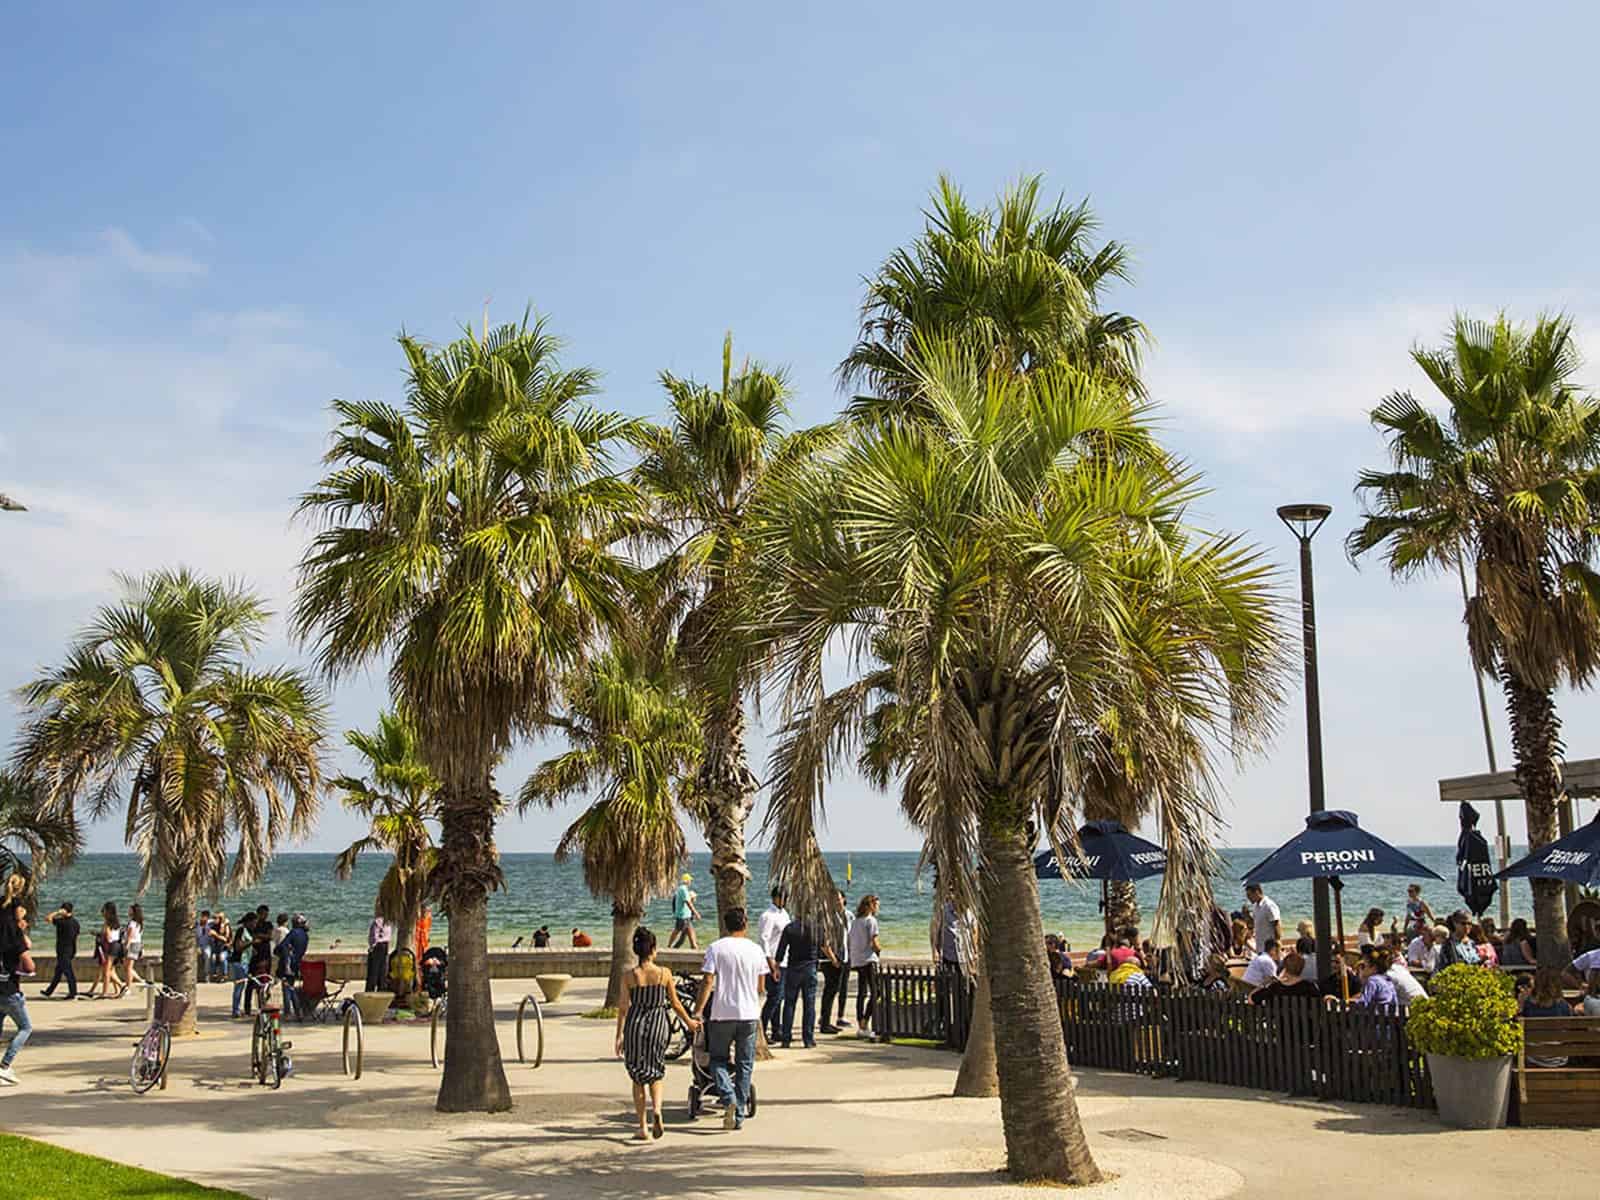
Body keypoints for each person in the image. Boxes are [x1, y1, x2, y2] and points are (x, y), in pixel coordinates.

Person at [615, 925, 699, 1140]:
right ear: (653, 949)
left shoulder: (629, 976)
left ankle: (642, 1127)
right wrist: (689, 1022)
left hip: (635, 1025)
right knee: (656, 1071)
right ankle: (658, 1111)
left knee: (637, 1076)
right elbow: (677, 1004)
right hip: (658, 1024)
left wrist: (619, 1035)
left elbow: (623, 1007)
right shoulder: (664, 974)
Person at [694, 907, 768, 1131]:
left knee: (717, 1059)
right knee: (745, 1063)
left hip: (722, 1013)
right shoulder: (756, 950)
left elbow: (707, 981)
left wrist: (698, 1010)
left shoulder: (716, 948)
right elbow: (761, 986)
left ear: (726, 925)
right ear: (745, 924)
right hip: (748, 1014)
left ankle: (729, 1099)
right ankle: (739, 1114)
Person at [775, 911, 825, 1048]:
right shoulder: (817, 928)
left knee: (789, 1004)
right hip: (810, 967)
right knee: (809, 1004)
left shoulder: (790, 928)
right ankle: (808, 1038)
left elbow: (781, 949)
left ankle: (786, 1038)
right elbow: (823, 946)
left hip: (793, 968)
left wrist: (776, 966)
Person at [0, 902, 36, 1084]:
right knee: (25, 1027)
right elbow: (29, 965)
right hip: (10, 990)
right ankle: (5, 1065)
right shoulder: (15, 937)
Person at [757, 888, 791, 1045]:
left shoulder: (784, 914)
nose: (785, 900)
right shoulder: (768, 916)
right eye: (783, 897)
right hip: (773, 962)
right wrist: (771, 964)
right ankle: (762, 1028)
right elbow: (764, 940)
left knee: (780, 997)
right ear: (776, 897)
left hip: (785, 960)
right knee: (774, 997)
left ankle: (776, 1029)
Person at [1520, 974, 1575, 1066]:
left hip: (1533, 1058)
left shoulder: (1528, 1005)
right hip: (1560, 1059)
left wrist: (1520, 1003)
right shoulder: (1564, 1006)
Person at [847, 894, 881, 1039]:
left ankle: (860, 1021)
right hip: (868, 959)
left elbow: (851, 940)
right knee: (876, 991)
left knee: (862, 992)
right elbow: (874, 942)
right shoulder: (871, 921)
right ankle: (865, 1020)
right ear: (870, 906)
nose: (878, 908)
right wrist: (879, 950)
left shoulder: (855, 922)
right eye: (876, 905)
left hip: (857, 959)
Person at [819, 889, 850, 1034]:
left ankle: (828, 1020)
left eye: (839, 898)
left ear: (844, 899)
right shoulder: (829, 917)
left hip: (843, 956)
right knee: (830, 990)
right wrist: (833, 958)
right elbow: (824, 941)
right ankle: (824, 1022)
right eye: (834, 899)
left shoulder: (848, 916)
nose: (837, 901)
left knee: (836, 989)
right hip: (831, 958)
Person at [41, 902, 80, 1000]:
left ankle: (73, 993)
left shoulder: (61, 922)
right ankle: (49, 991)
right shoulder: (75, 923)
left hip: (63, 951)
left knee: (68, 972)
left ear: (64, 910)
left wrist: (57, 912)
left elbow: (47, 918)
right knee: (58, 972)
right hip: (71, 949)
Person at [1250, 950, 1319, 1004]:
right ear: (1302, 967)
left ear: (1285, 968)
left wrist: (1263, 984)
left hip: (1280, 1022)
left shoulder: (1274, 988)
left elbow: (1251, 1000)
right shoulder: (1309, 987)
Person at [275, 914, 309, 1018]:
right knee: (290, 986)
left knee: (287, 988)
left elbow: (283, 945)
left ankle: (288, 1012)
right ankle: (298, 1012)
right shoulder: (305, 936)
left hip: (288, 964)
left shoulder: (293, 933)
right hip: (297, 964)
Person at [1346, 948, 1399, 1012]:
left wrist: (1346, 1002)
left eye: (1364, 966)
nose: (1362, 970)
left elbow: (1363, 1003)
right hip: (1390, 1018)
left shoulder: (1372, 981)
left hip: (1375, 1019)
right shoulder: (1387, 980)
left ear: (1374, 968)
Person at [90, 902, 123, 999]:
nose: (102, 912)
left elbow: (108, 937)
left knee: (107, 971)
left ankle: (106, 992)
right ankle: (118, 988)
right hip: (117, 945)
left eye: (104, 910)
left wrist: (100, 935)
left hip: (111, 946)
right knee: (110, 969)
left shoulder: (107, 922)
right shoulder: (116, 921)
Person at [668, 873, 701, 950]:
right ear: (687, 881)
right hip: (684, 916)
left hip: (684, 916)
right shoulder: (683, 889)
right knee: (678, 931)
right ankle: (670, 946)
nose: (690, 882)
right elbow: (688, 902)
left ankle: (693, 947)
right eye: (690, 880)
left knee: (686, 933)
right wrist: (696, 913)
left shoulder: (681, 889)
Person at [1245, 883, 1280, 953]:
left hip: (1269, 948)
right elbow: (1255, 923)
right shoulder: (1256, 907)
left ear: (1257, 892)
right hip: (1260, 946)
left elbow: (1276, 925)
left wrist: (1277, 946)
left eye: (1249, 895)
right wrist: (1247, 915)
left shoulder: (1269, 905)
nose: (1248, 898)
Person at [366, 912, 393, 993]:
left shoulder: (377, 921)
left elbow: (374, 936)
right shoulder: (388, 922)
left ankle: (370, 992)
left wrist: (372, 946)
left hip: (378, 946)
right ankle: (381, 990)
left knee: (373, 972)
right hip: (384, 945)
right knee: (382, 971)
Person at [195, 908, 213, 980]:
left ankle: (206, 975)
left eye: (205, 917)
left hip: (207, 946)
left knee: (207, 955)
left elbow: (222, 920)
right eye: (202, 916)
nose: (203, 918)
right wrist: (197, 947)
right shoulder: (197, 924)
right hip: (198, 945)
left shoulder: (210, 924)